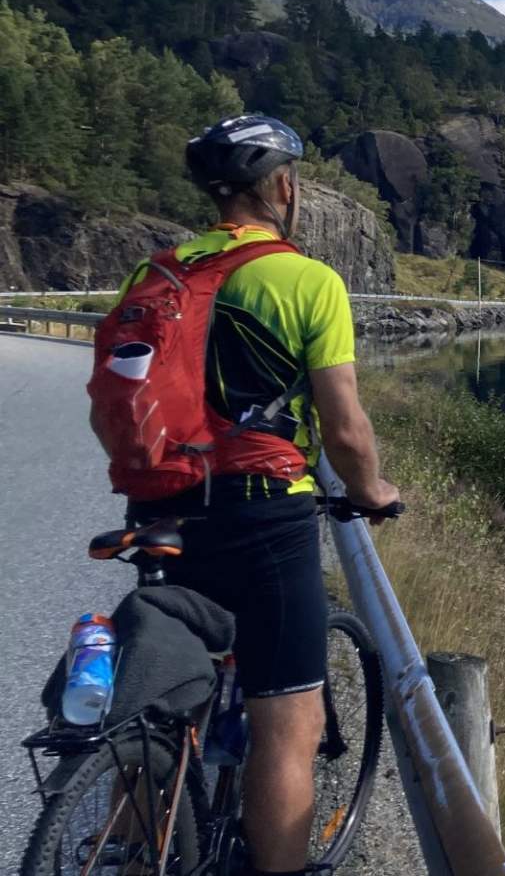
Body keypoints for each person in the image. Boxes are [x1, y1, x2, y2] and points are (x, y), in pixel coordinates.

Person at [112, 114, 400, 876]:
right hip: (262, 512)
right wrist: (372, 493)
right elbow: (344, 429)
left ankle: (131, 855)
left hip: (161, 506)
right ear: (282, 187)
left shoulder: (157, 273)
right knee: (288, 718)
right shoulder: (305, 279)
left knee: (162, 697)